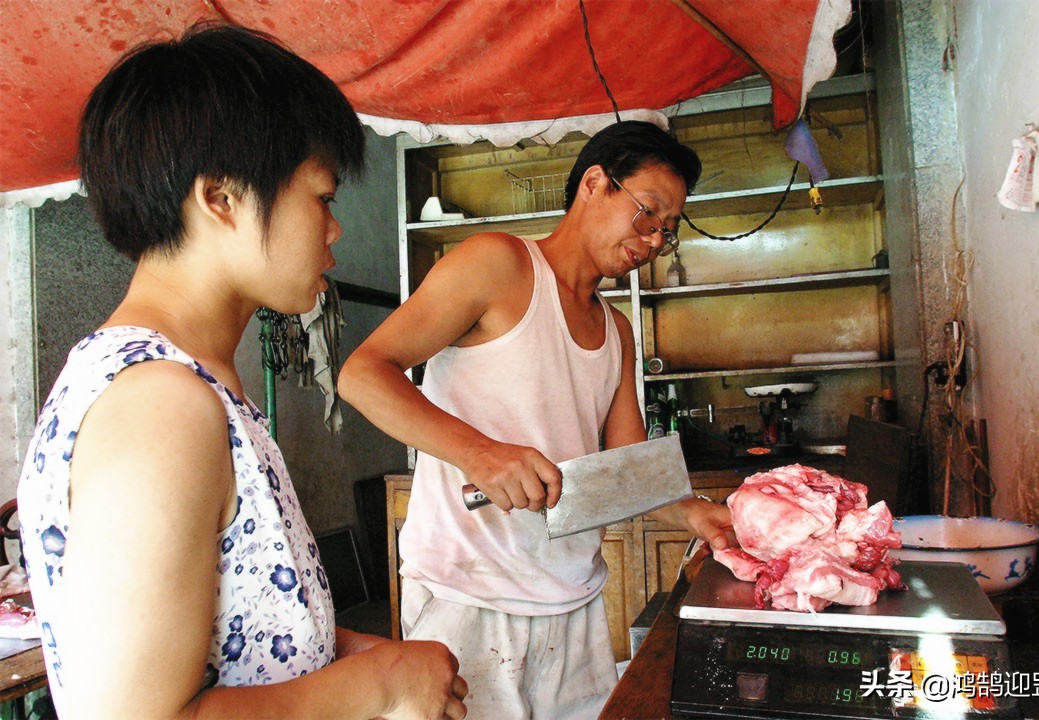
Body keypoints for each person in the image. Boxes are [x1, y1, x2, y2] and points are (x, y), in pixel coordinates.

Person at [16, 23, 467, 720]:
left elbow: (237, 643)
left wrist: (368, 656)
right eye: (322, 196)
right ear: (220, 198)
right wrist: (382, 687)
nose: (334, 229)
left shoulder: (189, 388)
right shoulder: (159, 406)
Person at [338, 120, 733, 719]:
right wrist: (479, 453)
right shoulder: (497, 265)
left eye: (668, 231)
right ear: (595, 183)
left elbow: (623, 467)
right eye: (647, 214)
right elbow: (364, 373)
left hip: (573, 596)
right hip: (469, 597)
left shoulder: (617, 331)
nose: (654, 241)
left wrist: (693, 509)